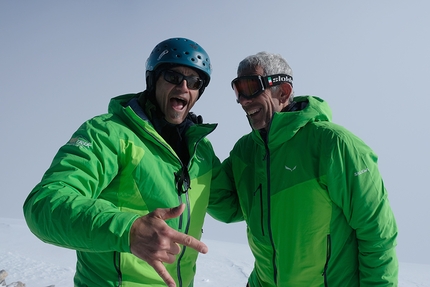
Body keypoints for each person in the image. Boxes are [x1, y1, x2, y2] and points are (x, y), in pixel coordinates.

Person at [23, 37, 221, 287]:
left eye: (194, 81)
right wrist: (129, 230)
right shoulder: (108, 133)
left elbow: (237, 203)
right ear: (153, 80)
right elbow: (44, 205)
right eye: (172, 76)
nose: (184, 86)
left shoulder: (200, 151)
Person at [208, 52, 398, 286]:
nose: (244, 100)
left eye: (251, 87)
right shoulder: (245, 152)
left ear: (284, 92)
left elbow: (377, 233)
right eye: (238, 90)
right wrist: (197, 150)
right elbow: (226, 207)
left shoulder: (333, 144)